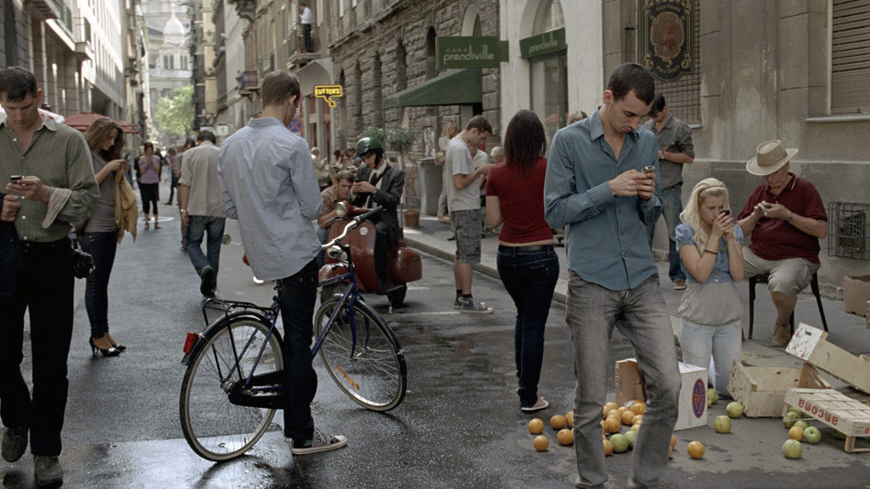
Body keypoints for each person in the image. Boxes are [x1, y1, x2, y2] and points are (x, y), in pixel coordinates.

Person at [543, 63, 681, 488]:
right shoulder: (568, 142)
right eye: (628, 114)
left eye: (641, 116)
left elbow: (650, 210)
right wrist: (609, 189)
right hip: (591, 282)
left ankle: (647, 478)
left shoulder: (646, 142)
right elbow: (554, 212)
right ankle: (594, 482)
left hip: (640, 278)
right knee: (589, 400)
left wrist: (646, 198)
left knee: (670, 386)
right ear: (608, 98)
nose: (635, 124)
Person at [218, 70, 346, 455]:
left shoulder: (231, 145)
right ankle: (303, 433)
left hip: (261, 253)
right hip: (295, 252)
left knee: (291, 335)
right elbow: (309, 207)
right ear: (292, 99)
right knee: (297, 342)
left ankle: (294, 420)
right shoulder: (291, 144)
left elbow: (229, 206)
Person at [0, 66, 99, 486]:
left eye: (24, 106)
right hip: (3, 256)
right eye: (9, 107)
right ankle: (17, 418)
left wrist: (46, 194)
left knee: (51, 361)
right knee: (3, 355)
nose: (18, 116)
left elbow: (88, 199)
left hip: (52, 257)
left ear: (37, 97)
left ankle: (46, 451)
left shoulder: (69, 141)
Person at [485, 110, 558, 413]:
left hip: (507, 256)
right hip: (540, 254)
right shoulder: (549, 169)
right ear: (540, 139)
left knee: (522, 317)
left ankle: (523, 385)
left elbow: (492, 221)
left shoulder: (496, 174)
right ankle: (529, 396)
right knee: (533, 326)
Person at [736, 140, 828, 347]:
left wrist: (788, 215)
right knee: (719, 267)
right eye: (766, 174)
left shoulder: (805, 189)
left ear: (786, 165)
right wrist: (754, 215)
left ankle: (782, 323)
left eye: (774, 172)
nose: (770, 178)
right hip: (759, 252)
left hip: (796, 255)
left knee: (782, 284)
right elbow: (738, 232)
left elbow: (821, 230)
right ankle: (730, 323)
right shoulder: (760, 190)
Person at [676, 178, 745, 396]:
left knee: (727, 389)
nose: (717, 214)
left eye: (721, 208)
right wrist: (714, 237)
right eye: (711, 208)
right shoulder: (686, 232)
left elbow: (738, 274)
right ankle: (699, 368)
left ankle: (714, 365)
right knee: (698, 389)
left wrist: (730, 239)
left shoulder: (734, 231)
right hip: (698, 319)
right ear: (698, 207)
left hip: (728, 318)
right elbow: (701, 274)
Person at [80, 118, 131, 358]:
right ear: (98, 135)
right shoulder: (86, 154)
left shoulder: (104, 156)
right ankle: (97, 335)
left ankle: (104, 332)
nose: (112, 143)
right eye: (109, 138)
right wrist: (107, 170)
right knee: (95, 284)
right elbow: (84, 186)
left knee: (102, 285)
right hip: (94, 228)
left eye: (114, 139)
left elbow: (112, 188)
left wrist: (118, 173)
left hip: (109, 225)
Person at [642, 94, 695, 290]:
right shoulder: (646, 129)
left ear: (665, 109)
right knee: (645, 234)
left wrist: (663, 154)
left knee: (675, 234)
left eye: (656, 116)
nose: (654, 120)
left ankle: (678, 275)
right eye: (651, 117)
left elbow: (689, 157)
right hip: (649, 188)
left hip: (670, 188)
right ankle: (645, 277)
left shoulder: (680, 128)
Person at [446, 116, 494, 313]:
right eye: (481, 137)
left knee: (461, 253)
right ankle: (466, 298)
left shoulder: (454, 145)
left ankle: (461, 296)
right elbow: (460, 183)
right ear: (474, 130)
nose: (480, 143)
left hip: (459, 206)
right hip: (466, 206)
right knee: (467, 254)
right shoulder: (459, 148)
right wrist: (480, 171)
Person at [348, 137, 404, 292]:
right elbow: (353, 199)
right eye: (364, 159)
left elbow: (394, 200)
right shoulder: (362, 171)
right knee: (344, 232)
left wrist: (373, 190)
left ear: (378, 154)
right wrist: (352, 192)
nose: (366, 161)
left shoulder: (395, 174)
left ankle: (380, 277)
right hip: (363, 216)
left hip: (384, 218)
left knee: (378, 233)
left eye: (369, 157)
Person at [179, 130, 226, 298]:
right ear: (213, 141)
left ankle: (203, 267)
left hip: (196, 207)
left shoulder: (189, 154)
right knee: (214, 246)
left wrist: (184, 210)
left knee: (192, 243)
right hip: (218, 209)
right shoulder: (222, 154)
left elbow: (185, 184)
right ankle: (211, 287)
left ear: (198, 140)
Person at [316, 170, 354, 267]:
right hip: (331, 226)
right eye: (343, 186)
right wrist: (339, 210)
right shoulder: (326, 195)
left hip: (350, 225)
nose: (346, 190)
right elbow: (322, 222)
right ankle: (320, 269)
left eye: (349, 186)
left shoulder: (354, 193)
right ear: (337, 184)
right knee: (320, 233)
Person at [435, 121, 458, 224]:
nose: (453, 131)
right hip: (448, 167)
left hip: (455, 166)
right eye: (451, 129)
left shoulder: (456, 139)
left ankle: (451, 212)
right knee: (445, 190)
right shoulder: (443, 139)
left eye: (454, 129)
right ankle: (440, 213)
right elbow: (446, 152)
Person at [176, 139, 195, 251]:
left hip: (194, 189)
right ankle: (184, 242)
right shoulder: (180, 158)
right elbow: (177, 174)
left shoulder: (196, 158)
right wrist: (186, 167)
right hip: (182, 188)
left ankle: (193, 242)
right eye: (187, 149)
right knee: (183, 214)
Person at [138, 142, 162, 229]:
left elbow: (157, 170)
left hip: (154, 182)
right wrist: (147, 163)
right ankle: (146, 222)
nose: (149, 152)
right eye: (147, 150)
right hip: (145, 183)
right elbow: (141, 171)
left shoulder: (156, 158)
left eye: (151, 150)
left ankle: (156, 222)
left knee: (155, 202)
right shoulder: (141, 159)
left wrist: (152, 163)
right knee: (146, 202)